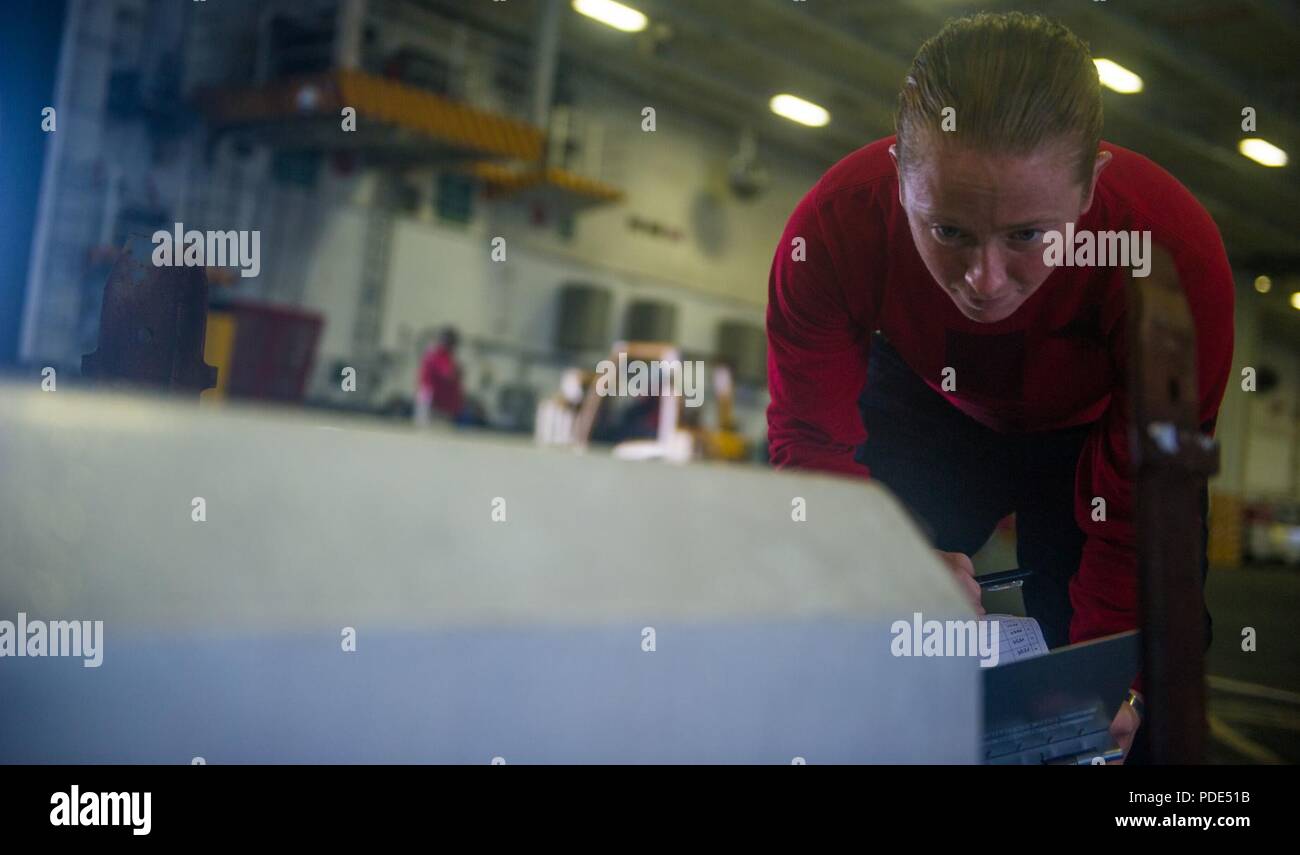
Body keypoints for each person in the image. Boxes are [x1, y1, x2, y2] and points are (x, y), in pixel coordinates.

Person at [766, 12, 1234, 762]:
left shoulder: (1171, 258)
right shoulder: (829, 232)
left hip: (1096, 428)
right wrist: (881, 558)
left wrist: (1119, 677)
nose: (984, 282)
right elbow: (811, 447)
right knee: (848, 620)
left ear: (1090, 190)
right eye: (947, 230)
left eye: (1026, 235)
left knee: (1138, 689)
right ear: (896, 179)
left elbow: (1148, 503)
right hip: (932, 408)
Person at [415, 327, 465, 425]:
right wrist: (458, 371)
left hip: (429, 396)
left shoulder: (434, 353)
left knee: (424, 427)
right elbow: (448, 375)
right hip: (433, 400)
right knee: (431, 430)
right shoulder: (439, 354)